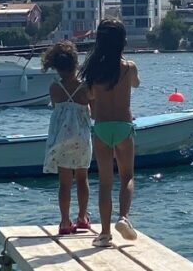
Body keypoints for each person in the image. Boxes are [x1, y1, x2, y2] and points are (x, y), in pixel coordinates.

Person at [82, 19, 140, 248]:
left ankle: (105, 233)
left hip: (102, 128)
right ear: (123, 42)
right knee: (127, 176)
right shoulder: (129, 67)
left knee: (105, 181)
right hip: (124, 126)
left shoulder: (94, 70)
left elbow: (90, 97)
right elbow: (136, 83)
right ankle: (123, 218)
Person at [41, 41, 93, 236]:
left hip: (61, 137)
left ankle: (64, 221)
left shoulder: (54, 88)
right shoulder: (84, 87)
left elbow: (57, 108)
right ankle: (82, 217)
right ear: (75, 63)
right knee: (82, 177)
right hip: (81, 136)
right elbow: (92, 112)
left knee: (64, 182)